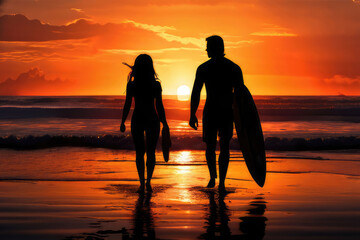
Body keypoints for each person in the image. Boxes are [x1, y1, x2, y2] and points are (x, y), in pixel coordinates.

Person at [189, 35, 244, 192]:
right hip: (227, 111)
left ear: (214, 48)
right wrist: (241, 118)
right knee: (224, 146)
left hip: (212, 111)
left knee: (211, 146)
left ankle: (213, 177)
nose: (206, 50)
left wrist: (192, 114)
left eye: (208, 47)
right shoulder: (234, 68)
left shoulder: (203, 68)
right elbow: (240, 96)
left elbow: (195, 93)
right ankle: (222, 181)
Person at [120, 54, 169, 193]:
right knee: (151, 152)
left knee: (139, 152)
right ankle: (148, 182)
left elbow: (128, 104)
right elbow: (159, 106)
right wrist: (164, 122)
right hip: (152, 118)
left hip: (138, 118)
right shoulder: (155, 84)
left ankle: (142, 182)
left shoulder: (133, 84)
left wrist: (123, 121)